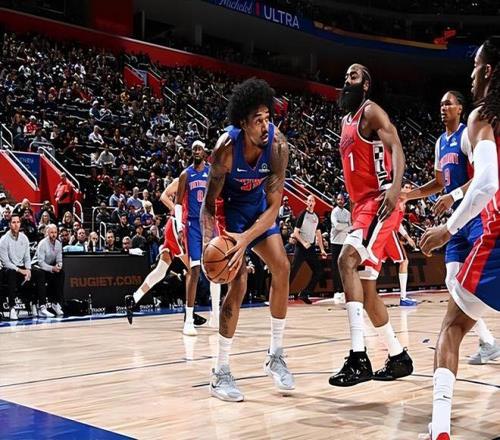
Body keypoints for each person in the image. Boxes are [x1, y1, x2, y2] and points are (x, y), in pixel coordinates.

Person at [419, 36, 500, 440]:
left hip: (495, 238)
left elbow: (486, 183)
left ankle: (440, 430)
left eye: (475, 66)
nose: (471, 74)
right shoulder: (446, 140)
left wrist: (447, 227)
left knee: (451, 328)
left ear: (488, 71)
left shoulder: (483, 117)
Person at [201, 78, 294, 402]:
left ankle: (276, 355)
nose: (265, 126)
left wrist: (246, 239)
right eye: (258, 120)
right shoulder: (226, 149)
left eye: (268, 118)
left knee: (282, 267)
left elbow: (273, 209)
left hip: (257, 211)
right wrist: (211, 241)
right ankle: (220, 373)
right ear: (243, 122)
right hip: (230, 212)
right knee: (238, 283)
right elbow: (209, 204)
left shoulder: (278, 146)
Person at [329, 64, 413, 387]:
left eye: (353, 76)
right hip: (361, 207)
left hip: (380, 202)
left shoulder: (371, 111)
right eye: (345, 76)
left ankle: (358, 357)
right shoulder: (345, 123)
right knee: (366, 290)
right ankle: (398, 356)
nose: (346, 80)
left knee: (345, 259)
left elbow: (397, 147)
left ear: (365, 84)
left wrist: (395, 188)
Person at [402, 90, 500, 360]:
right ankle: (488, 341)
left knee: (479, 278)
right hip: (456, 219)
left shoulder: (469, 134)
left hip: (475, 214)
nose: (443, 107)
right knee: (451, 278)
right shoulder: (439, 144)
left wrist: (454, 195)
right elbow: (438, 183)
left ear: (460, 109)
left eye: (449, 104)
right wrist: (410, 195)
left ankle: (483, 337)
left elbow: (483, 176)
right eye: (441, 104)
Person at [124, 178, 189, 324]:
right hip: (176, 226)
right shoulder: (183, 178)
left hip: (179, 227)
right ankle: (190, 312)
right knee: (193, 269)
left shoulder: (201, 179)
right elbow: (164, 196)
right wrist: (176, 210)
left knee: (160, 271)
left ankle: (133, 298)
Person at [175, 140, 221, 335]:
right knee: (194, 270)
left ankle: (216, 315)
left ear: (204, 152)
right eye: (194, 148)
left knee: (216, 267)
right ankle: (188, 319)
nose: (196, 151)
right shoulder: (186, 174)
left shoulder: (211, 172)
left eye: (199, 148)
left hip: (209, 224)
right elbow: (178, 202)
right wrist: (179, 226)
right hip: (193, 225)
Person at [289, 195, 327, 304]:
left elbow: (318, 234)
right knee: (293, 271)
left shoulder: (316, 216)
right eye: (308, 200)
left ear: (315, 203)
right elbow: (295, 232)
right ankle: (281, 292)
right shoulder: (302, 214)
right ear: (306, 202)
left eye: (312, 201)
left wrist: (322, 250)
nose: (310, 202)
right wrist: (303, 242)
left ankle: (305, 293)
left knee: (319, 271)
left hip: (310, 248)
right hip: (301, 247)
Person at [0, 214, 31, 320]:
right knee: (11, 272)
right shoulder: (3, 240)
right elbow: (5, 262)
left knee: (39, 273)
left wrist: (28, 270)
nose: (16, 225)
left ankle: (38, 306)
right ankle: (12, 308)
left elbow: (27, 257)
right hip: (8, 269)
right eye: (13, 222)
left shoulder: (24, 238)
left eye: (18, 222)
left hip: (21, 267)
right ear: (9, 224)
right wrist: (21, 271)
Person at [31, 224, 64, 317]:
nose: (54, 234)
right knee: (40, 273)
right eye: (51, 232)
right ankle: (42, 307)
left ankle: (55, 303)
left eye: (55, 232)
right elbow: (40, 263)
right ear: (47, 233)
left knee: (61, 273)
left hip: (48, 267)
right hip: (36, 266)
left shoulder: (58, 244)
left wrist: (58, 266)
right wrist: (52, 268)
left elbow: (59, 260)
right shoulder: (42, 243)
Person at [330, 193, 351, 298]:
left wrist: (344, 226)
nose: (340, 201)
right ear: (336, 201)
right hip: (335, 242)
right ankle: (336, 290)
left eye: (341, 199)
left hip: (344, 242)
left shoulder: (348, 213)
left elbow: (351, 227)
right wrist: (346, 226)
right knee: (335, 267)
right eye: (338, 199)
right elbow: (337, 226)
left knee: (344, 266)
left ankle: (344, 289)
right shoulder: (334, 212)